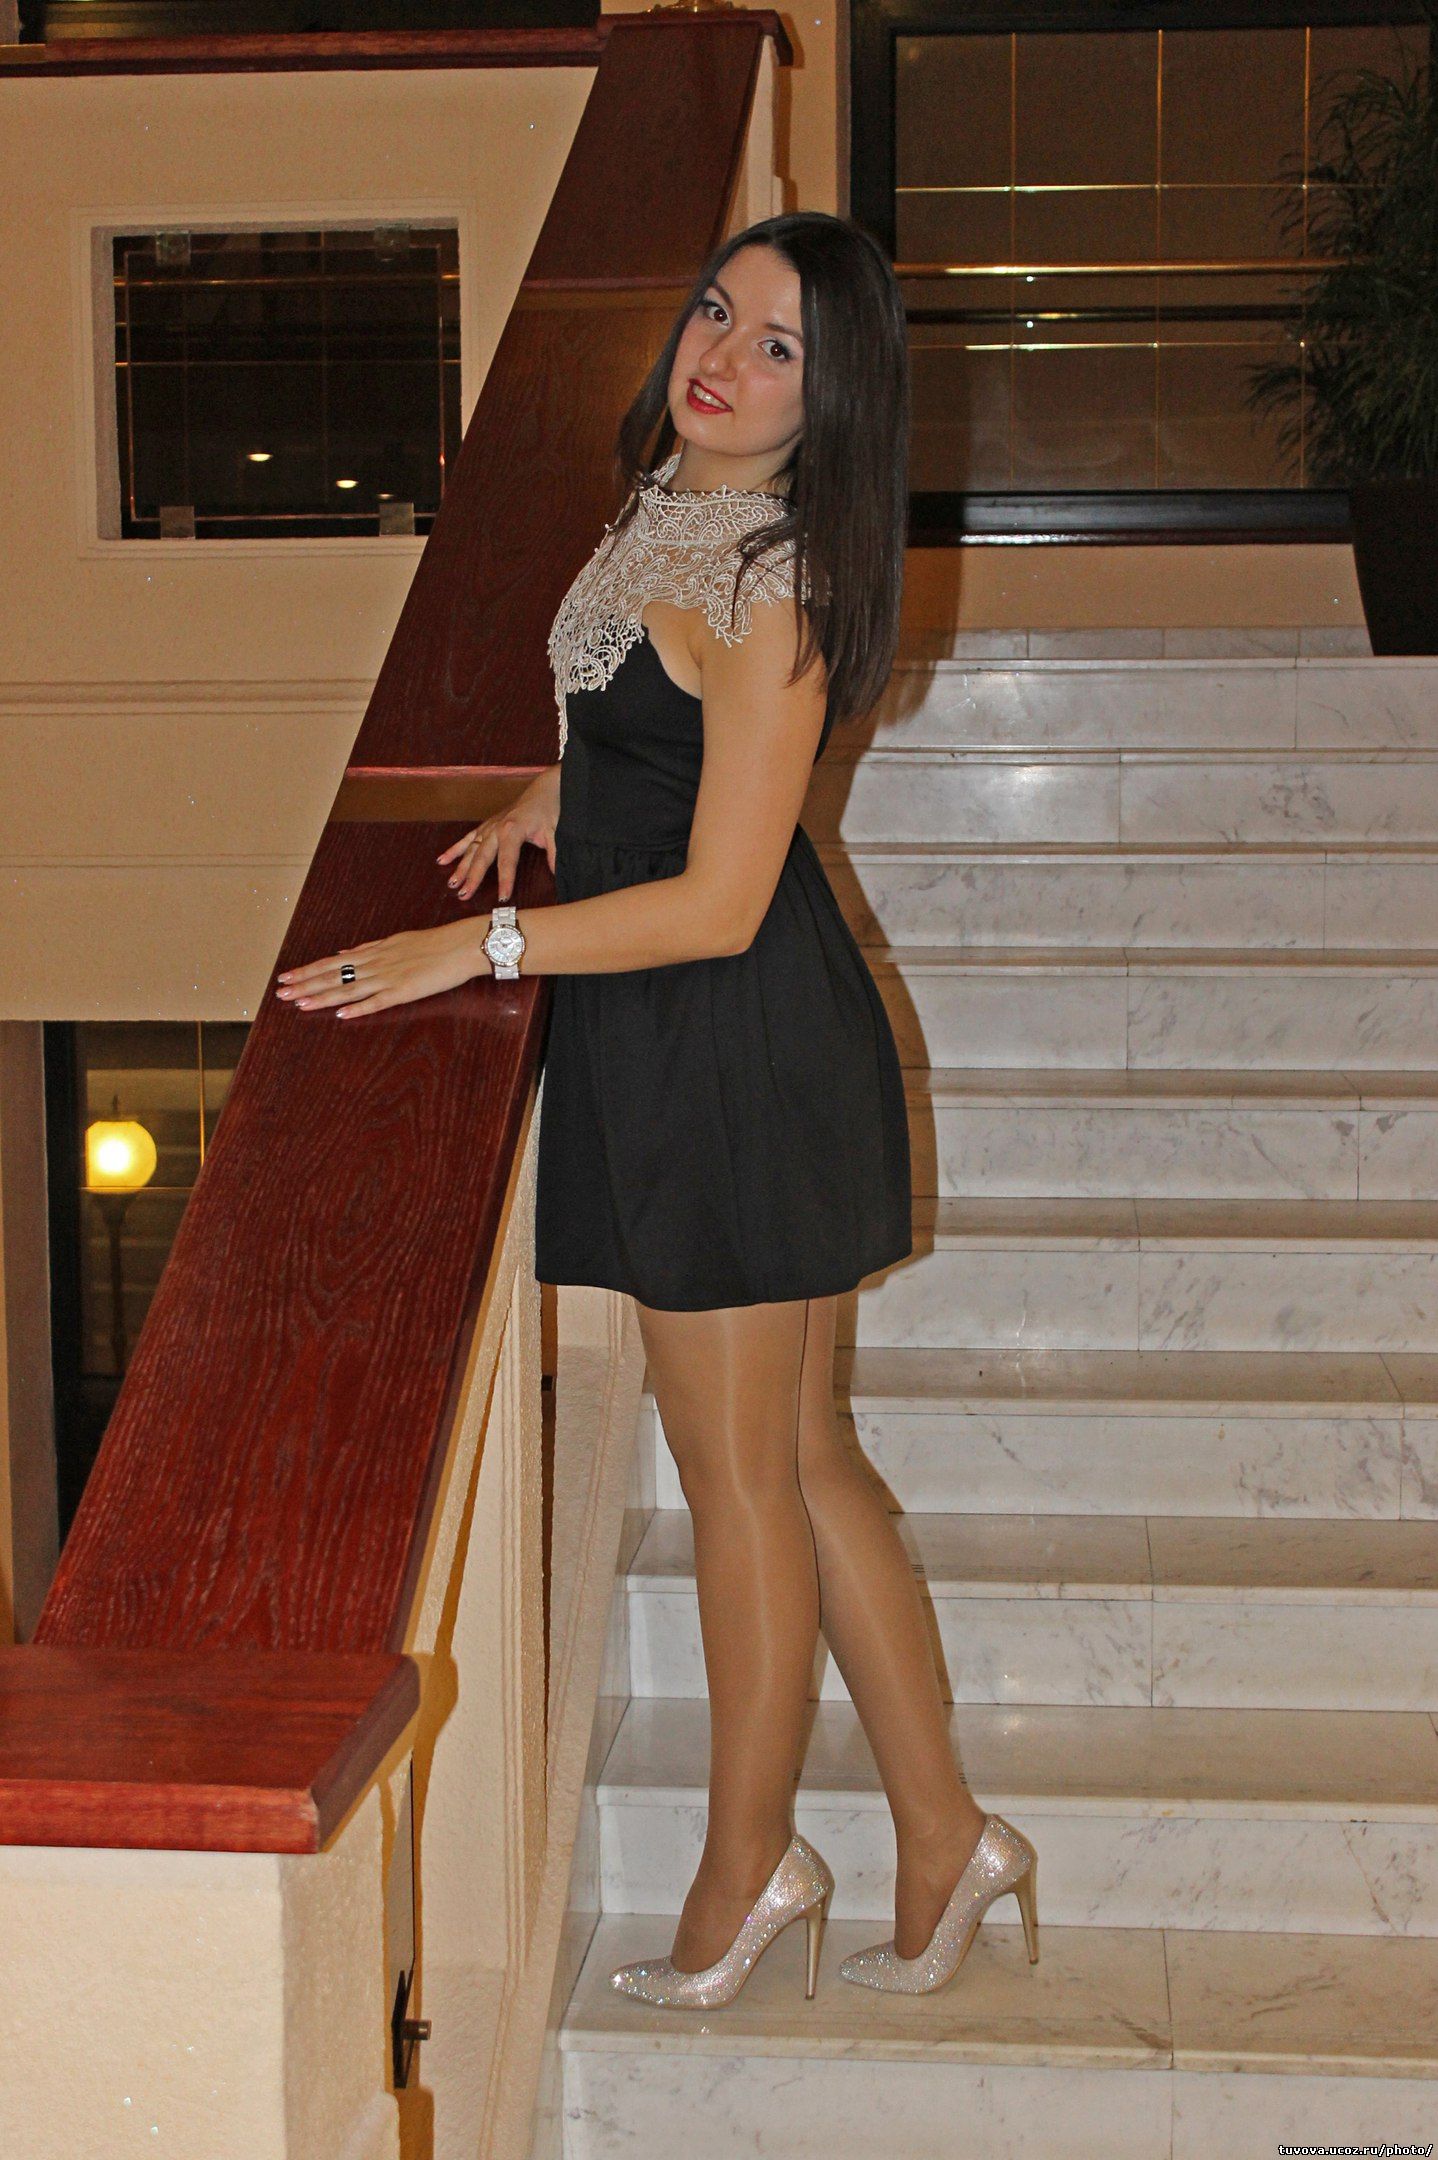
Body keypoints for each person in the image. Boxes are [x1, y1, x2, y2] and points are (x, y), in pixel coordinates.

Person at [274, 211, 1039, 2009]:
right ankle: (945, 1836)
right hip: (694, 1044)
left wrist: (479, 948)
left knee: (743, 1478)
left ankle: (744, 1867)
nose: (722, 356)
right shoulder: (669, 509)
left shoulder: (772, 578)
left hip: (732, 1047)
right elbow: (647, 719)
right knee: (803, 1461)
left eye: (778, 347)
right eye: (717, 311)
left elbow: (717, 896)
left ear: (832, 399)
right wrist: (561, 790)